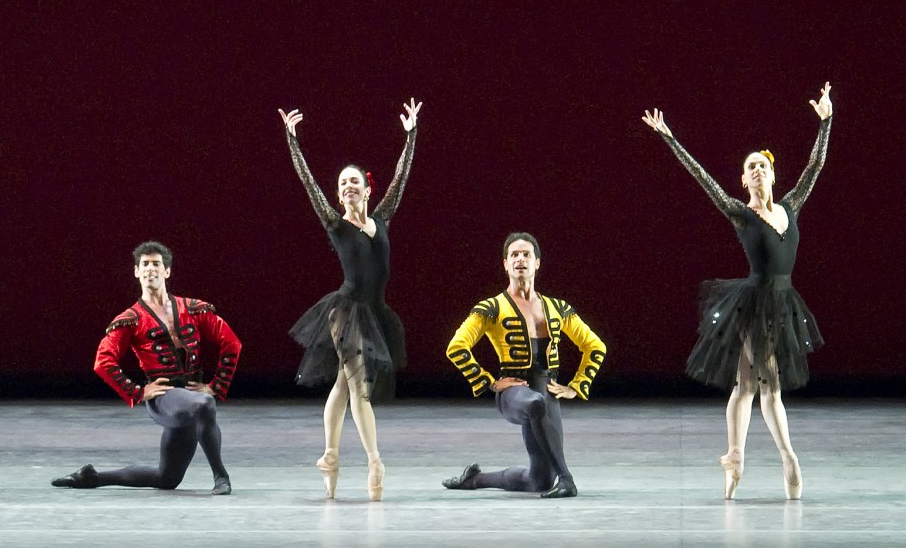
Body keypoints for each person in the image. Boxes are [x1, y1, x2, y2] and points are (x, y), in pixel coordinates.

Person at [641, 82, 832, 500]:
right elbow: (701, 178)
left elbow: (815, 168)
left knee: (749, 387)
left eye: (762, 164)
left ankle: (743, 460)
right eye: (750, 167)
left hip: (782, 304)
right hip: (753, 303)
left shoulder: (791, 204)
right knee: (765, 387)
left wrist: (826, 122)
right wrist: (670, 138)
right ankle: (780, 459)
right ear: (743, 180)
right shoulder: (739, 214)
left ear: (773, 174)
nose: (758, 169)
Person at [279, 99, 420, 500]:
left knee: (342, 387)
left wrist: (410, 136)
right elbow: (308, 183)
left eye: (353, 181)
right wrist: (293, 142)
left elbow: (401, 177)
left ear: (367, 187)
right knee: (359, 387)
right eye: (342, 184)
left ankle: (331, 457)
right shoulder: (334, 223)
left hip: (376, 311)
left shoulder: (383, 215)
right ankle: (375, 460)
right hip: (345, 310)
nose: (347, 187)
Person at [51, 241, 242, 495]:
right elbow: (103, 361)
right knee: (204, 405)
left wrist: (216, 385)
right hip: (163, 398)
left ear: (167, 271)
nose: (150, 268)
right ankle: (221, 477)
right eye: (145, 264)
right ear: (136, 272)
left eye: (156, 264)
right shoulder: (131, 318)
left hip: (191, 397)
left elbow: (231, 343)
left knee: (167, 478)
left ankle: (92, 478)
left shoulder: (194, 309)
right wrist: (138, 391)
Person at [442, 233, 606, 499]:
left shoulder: (557, 308)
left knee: (539, 481)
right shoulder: (491, 307)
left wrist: (577, 386)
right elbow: (456, 346)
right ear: (505, 264)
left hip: (547, 388)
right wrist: (488, 382)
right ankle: (567, 479)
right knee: (534, 404)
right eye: (514, 255)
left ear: (537, 263)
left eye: (526, 254)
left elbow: (595, 346)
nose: (520, 259)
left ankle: (475, 479)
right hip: (514, 392)